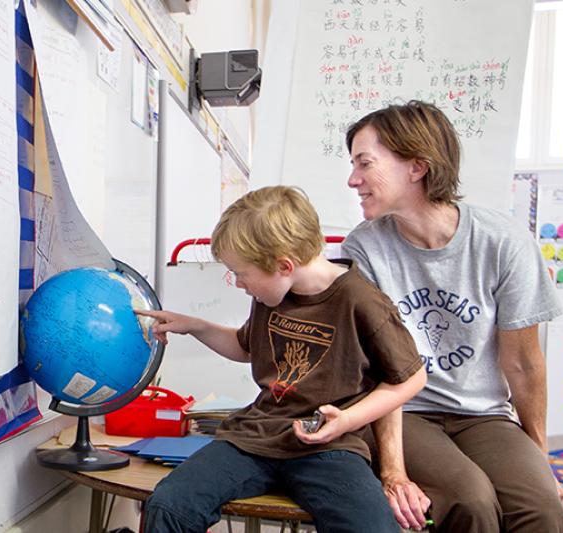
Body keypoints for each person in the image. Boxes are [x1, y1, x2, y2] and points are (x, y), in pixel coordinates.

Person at [137, 186, 427, 533]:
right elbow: (246, 347)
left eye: (241, 274)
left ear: (284, 265)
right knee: (169, 506)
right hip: (255, 438)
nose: (238, 283)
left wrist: (347, 419)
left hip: (329, 448)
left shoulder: (362, 301)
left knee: (373, 528)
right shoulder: (272, 293)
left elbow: (410, 378)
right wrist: (196, 326)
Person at [340, 101, 563, 533]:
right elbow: (377, 369)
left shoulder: (503, 241)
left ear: (417, 166)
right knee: (471, 501)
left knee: (542, 510)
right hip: (405, 410)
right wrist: (394, 472)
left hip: (484, 414)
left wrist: (539, 457)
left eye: (364, 164)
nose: (353, 180)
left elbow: (521, 362)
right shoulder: (365, 249)